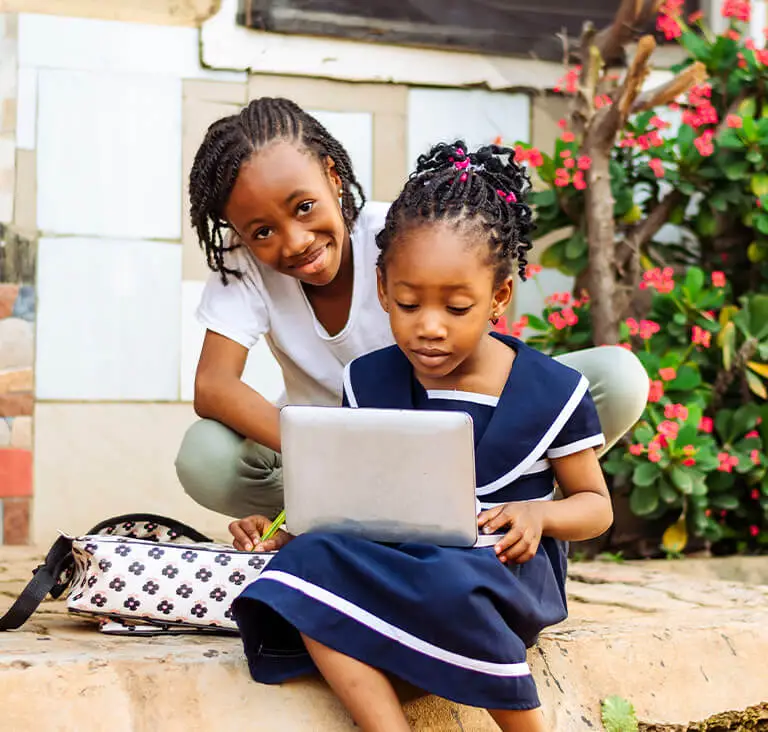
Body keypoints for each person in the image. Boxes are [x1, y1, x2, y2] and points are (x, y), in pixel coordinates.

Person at [230, 142, 614, 731]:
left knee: (452, 581)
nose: (429, 328)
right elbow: (351, 497)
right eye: (408, 304)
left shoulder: (552, 390)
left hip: (500, 566)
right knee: (308, 567)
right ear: (383, 290)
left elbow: (595, 508)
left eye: (457, 307)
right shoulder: (369, 378)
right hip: (403, 556)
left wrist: (540, 517)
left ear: (499, 299)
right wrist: (284, 529)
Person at [177, 97, 648, 525]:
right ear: (236, 230)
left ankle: (502, 503)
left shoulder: (403, 236)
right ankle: (346, 516)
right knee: (206, 458)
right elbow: (214, 385)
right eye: (261, 232)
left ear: (333, 178)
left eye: (304, 207)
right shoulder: (243, 269)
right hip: (333, 451)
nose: (295, 241)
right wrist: (332, 445)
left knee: (618, 377)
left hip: (460, 428)